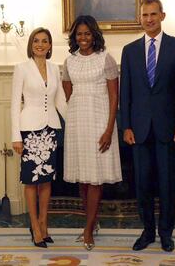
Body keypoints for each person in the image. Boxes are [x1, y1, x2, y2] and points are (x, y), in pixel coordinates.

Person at [120, 0, 175, 252]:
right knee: (143, 184)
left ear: (162, 15)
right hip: (138, 129)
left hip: (168, 129)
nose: (148, 19)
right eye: (144, 15)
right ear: (140, 18)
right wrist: (126, 125)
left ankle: (166, 233)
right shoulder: (129, 51)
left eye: (153, 14)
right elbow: (125, 92)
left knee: (167, 184)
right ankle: (148, 231)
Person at [62, 15, 122, 251]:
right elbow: (68, 94)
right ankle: (92, 222)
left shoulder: (105, 59)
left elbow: (114, 97)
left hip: (99, 120)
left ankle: (88, 229)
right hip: (77, 121)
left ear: (94, 34)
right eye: (79, 34)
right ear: (74, 36)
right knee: (82, 177)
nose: (83, 38)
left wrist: (108, 130)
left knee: (94, 176)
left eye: (87, 33)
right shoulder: (69, 61)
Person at [11, 27, 66, 248]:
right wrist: (16, 136)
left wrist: (77, 123)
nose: (40, 44)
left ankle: (44, 224)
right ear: (31, 44)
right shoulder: (21, 68)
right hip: (29, 131)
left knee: (46, 180)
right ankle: (34, 226)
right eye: (36, 41)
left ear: (50, 45)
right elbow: (15, 104)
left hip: (50, 129)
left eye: (44, 41)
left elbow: (60, 101)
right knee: (31, 180)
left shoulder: (55, 69)